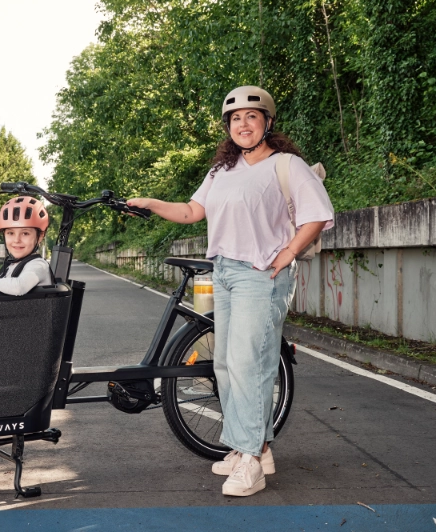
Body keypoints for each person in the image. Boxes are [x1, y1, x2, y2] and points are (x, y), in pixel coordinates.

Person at [127, 85, 334, 497]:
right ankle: (253, 449)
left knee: (250, 366)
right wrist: (150, 202)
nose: (243, 123)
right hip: (223, 272)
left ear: (268, 123)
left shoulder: (287, 165)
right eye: (235, 118)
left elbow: (317, 216)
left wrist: (288, 253)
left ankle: (251, 461)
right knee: (224, 364)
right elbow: (191, 212)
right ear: (228, 126)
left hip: (261, 275)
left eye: (251, 117)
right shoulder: (222, 171)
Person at [0, 196, 53, 296]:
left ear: (40, 236)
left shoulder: (38, 265)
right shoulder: (12, 265)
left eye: (25, 233)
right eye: (10, 233)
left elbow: (19, 287)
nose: (16, 240)